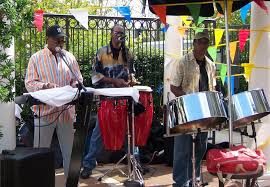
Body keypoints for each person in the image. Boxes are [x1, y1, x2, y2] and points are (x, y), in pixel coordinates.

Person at [25, 24, 83, 177]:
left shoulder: (69, 57)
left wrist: (75, 85)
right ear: (47, 39)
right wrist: (46, 86)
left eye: (62, 39)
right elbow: (30, 83)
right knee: (40, 154)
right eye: (57, 39)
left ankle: (69, 184)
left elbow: (78, 79)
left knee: (69, 155)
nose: (60, 42)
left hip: (66, 113)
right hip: (44, 113)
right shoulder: (36, 58)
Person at [80, 24, 136, 179]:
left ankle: (135, 163)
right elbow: (95, 76)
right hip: (107, 101)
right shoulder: (102, 52)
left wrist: (130, 81)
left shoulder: (128, 53)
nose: (120, 35)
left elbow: (132, 74)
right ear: (111, 34)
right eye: (117, 32)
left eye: (122, 33)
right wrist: (114, 81)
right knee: (98, 133)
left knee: (129, 132)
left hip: (124, 100)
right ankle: (88, 165)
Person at [170, 32, 216, 187]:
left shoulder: (210, 65)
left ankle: (193, 178)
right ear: (194, 43)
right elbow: (174, 87)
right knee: (182, 150)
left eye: (206, 43)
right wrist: (191, 101)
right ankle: (180, 182)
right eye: (200, 42)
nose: (203, 46)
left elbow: (211, 88)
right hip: (186, 110)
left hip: (204, 113)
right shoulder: (183, 62)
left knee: (200, 148)